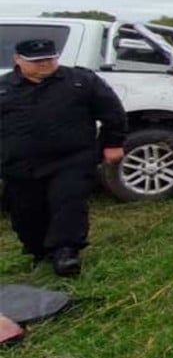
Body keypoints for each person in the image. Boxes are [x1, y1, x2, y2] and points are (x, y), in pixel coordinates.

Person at [0, 39, 127, 277]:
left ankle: (66, 253)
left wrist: (113, 143)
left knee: (68, 203)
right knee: (26, 212)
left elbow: (112, 112)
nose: (45, 64)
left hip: (71, 159)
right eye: (37, 61)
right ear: (18, 60)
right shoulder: (4, 87)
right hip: (20, 164)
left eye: (50, 58)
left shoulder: (80, 81)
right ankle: (39, 251)